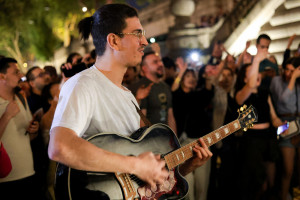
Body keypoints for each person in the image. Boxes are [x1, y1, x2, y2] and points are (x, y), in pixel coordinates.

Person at [48, 3, 212, 199]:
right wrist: (135, 165)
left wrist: (184, 167)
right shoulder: (83, 84)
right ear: (114, 41)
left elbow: (136, 182)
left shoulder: (127, 95)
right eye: (137, 34)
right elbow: (60, 147)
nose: (144, 41)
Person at [235, 50, 282, 200]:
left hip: (269, 138)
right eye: (252, 73)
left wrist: (283, 125)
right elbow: (249, 85)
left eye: (257, 72)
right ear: (244, 78)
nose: (257, 76)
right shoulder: (241, 94)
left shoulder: (265, 93)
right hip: (252, 141)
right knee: (257, 184)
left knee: (271, 182)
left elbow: (274, 118)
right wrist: (256, 62)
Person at [0, 57, 40, 199]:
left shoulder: (21, 98)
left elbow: (29, 137)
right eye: (16, 72)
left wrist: (33, 131)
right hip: (6, 179)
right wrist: (6, 116)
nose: (21, 76)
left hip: (29, 172)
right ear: (2, 75)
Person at [270, 56, 300, 200]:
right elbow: (283, 100)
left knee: (296, 169)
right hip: (284, 123)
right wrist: (293, 78)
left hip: (298, 122)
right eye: (287, 69)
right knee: (287, 169)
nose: (288, 73)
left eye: (292, 71)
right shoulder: (277, 81)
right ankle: (282, 196)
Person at [129, 51, 177, 133]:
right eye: (155, 62)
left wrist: (174, 140)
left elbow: (170, 116)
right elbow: (141, 120)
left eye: (160, 61)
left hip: (165, 139)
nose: (160, 64)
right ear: (144, 68)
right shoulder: (140, 87)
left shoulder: (165, 86)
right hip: (150, 141)